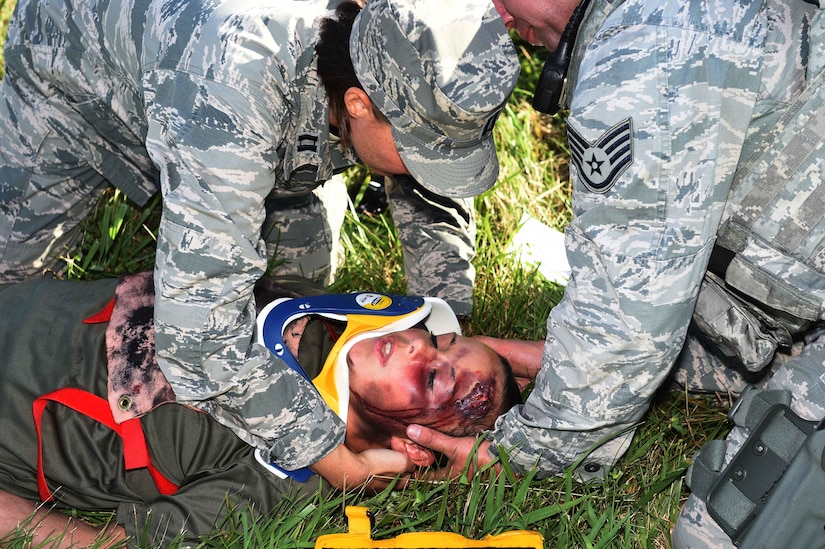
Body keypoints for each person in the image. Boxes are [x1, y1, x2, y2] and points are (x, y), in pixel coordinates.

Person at [0, 0, 520, 489]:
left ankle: (259, 187)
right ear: (358, 104)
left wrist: (447, 326)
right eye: (418, 153)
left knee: (300, 272)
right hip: (77, 74)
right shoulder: (237, 81)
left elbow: (434, 183)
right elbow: (196, 334)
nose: (425, 171)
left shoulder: (413, 39)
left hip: (250, 122)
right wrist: (334, 457)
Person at [399, 0, 825, 546]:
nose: (498, 20)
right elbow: (739, 309)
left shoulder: (644, 42)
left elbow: (629, 325)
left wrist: (518, 455)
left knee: (729, 529)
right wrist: (552, 359)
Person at [0, 273, 526, 547]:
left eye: (434, 375)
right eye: (440, 339)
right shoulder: (318, 316)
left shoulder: (289, 478)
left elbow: (105, 543)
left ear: (413, 444)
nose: (417, 347)